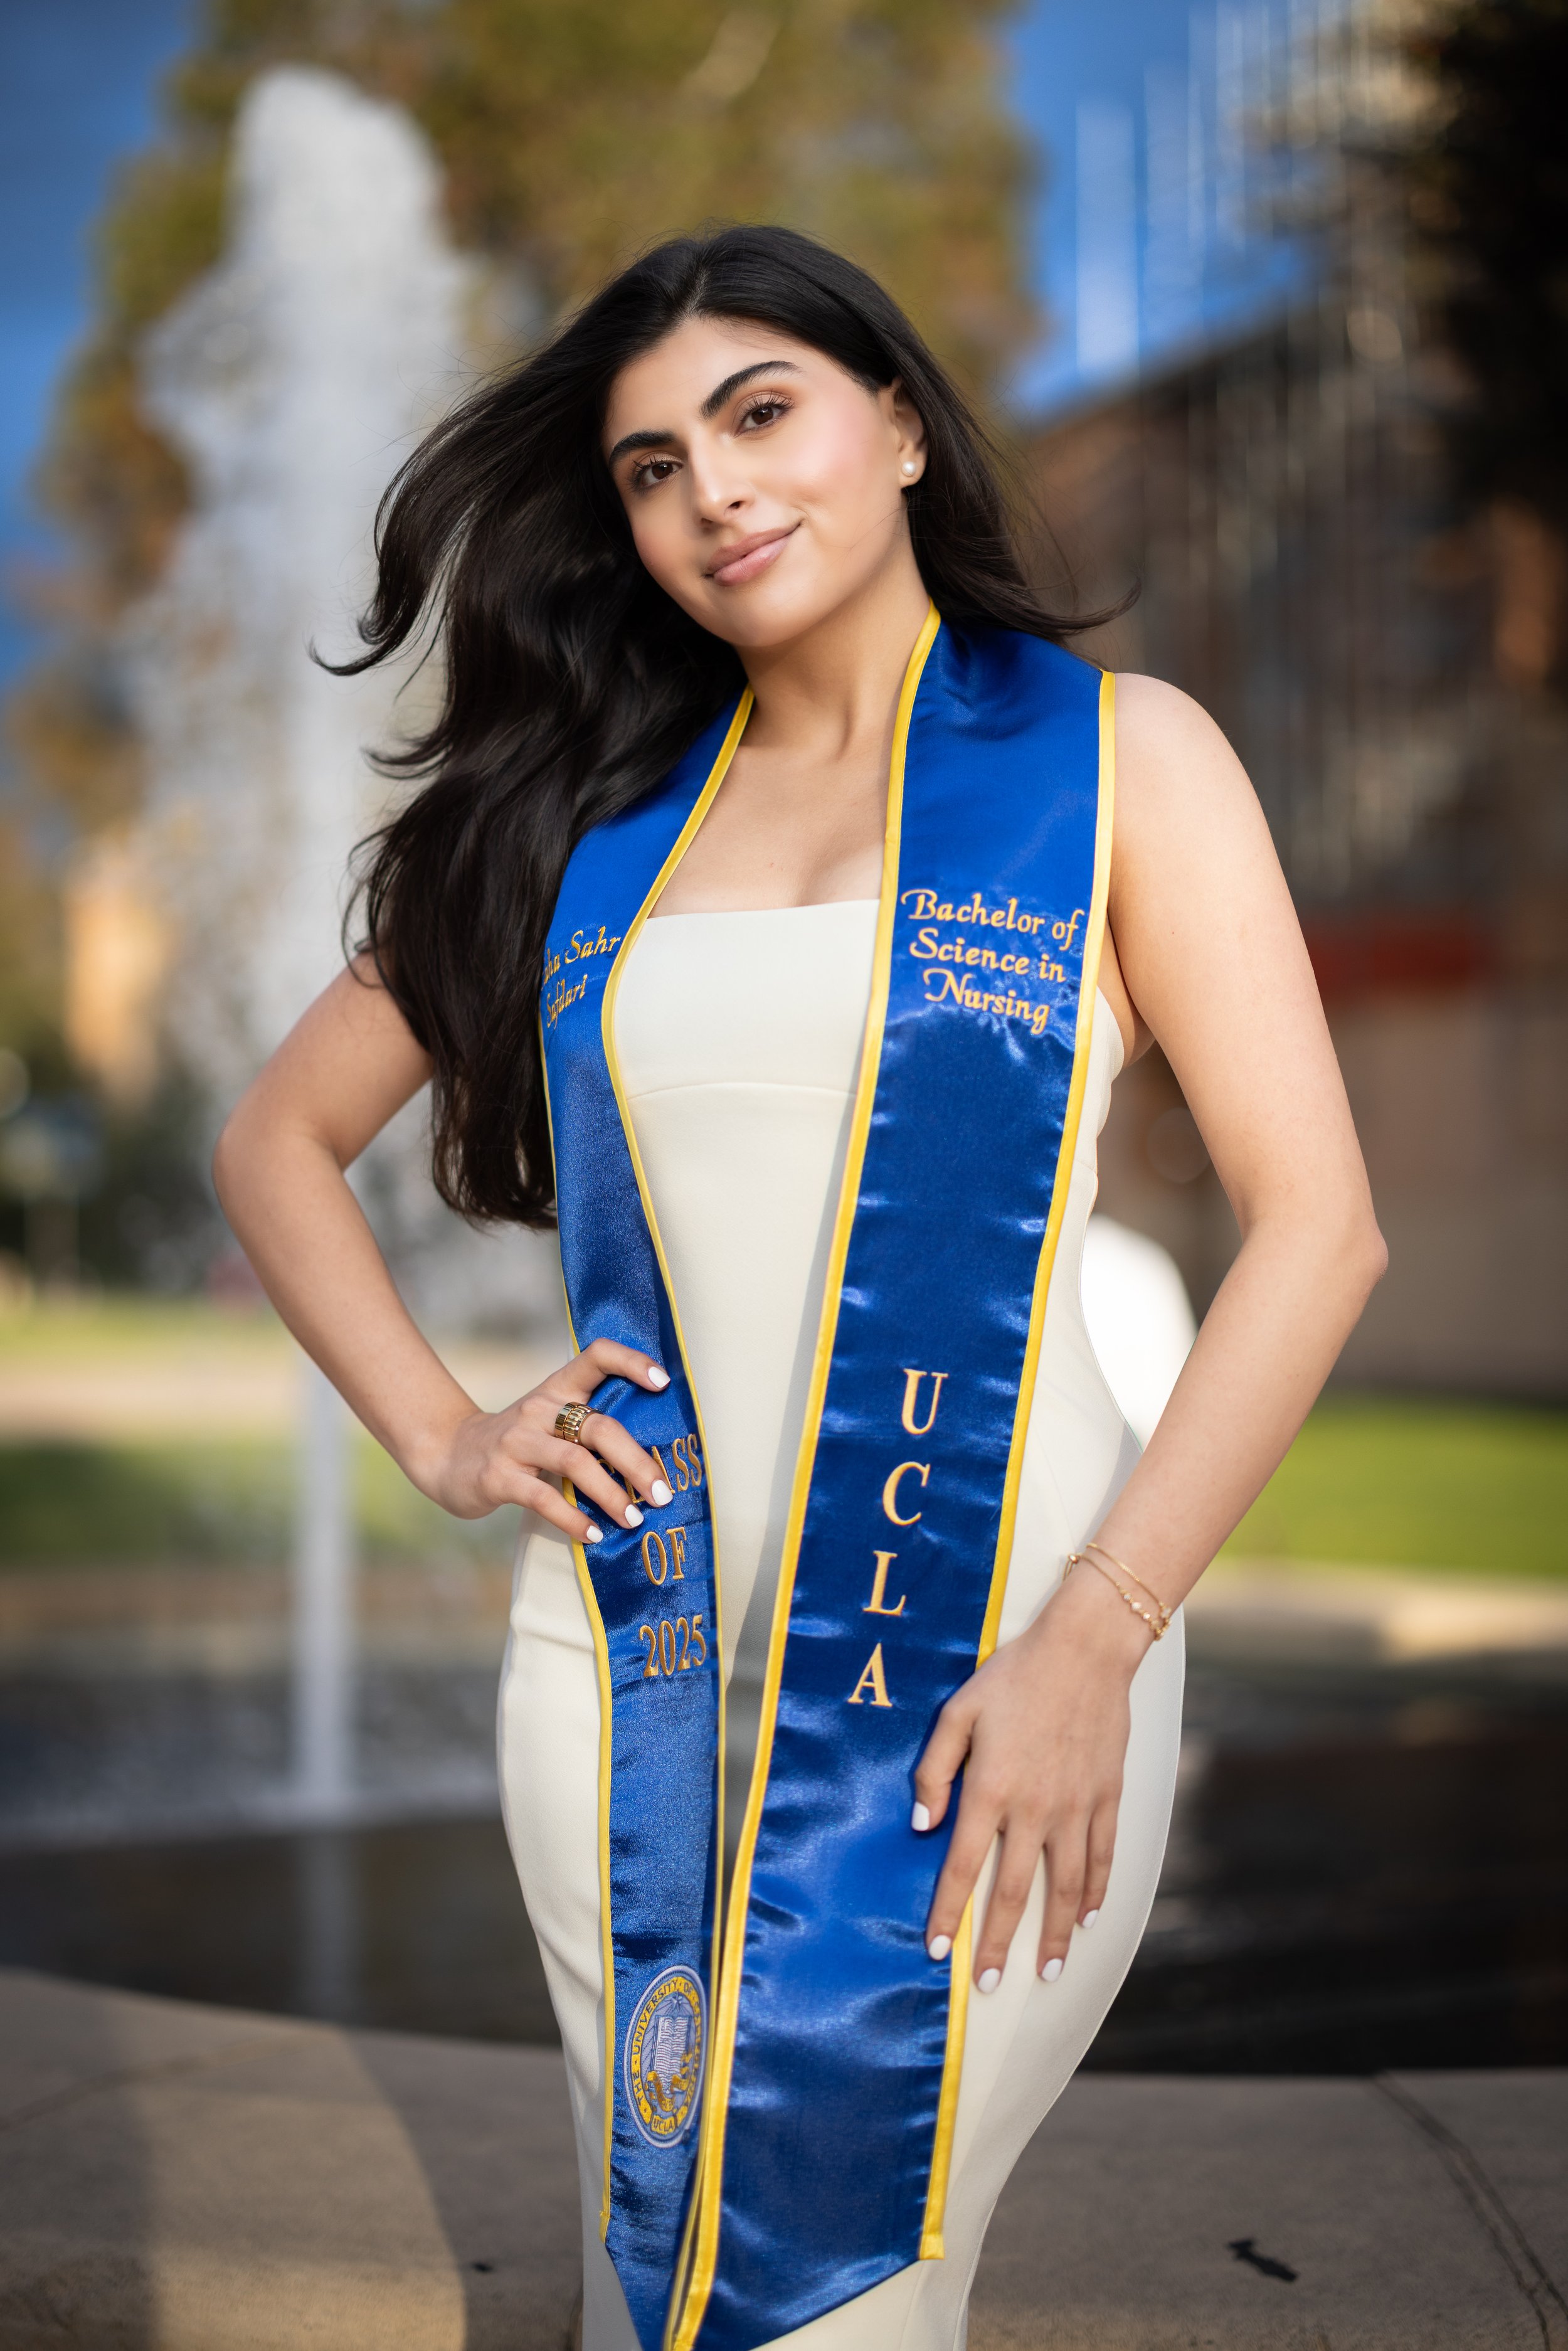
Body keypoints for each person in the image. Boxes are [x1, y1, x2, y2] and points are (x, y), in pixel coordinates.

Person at [214, 226, 1385, 2351]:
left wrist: (1094, 1645)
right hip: (615, 1676)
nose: (712, 492)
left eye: (759, 415)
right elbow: (272, 1139)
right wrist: (448, 1433)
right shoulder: (588, 815)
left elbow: (1320, 1231)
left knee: (827, 2301)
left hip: (991, 1692)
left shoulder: (1120, 762)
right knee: (649, 2288)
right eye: (652, 465)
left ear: (902, 425)